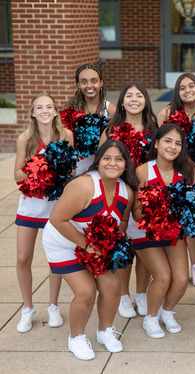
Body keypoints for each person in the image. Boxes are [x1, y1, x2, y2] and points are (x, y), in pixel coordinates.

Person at [42, 140, 136, 360]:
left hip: (94, 245)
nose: (112, 163)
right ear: (98, 161)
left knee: (112, 287)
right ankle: (76, 338)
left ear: (125, 164)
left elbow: (121, 221)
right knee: (85, 292)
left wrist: (112, 245)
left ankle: (105, 332)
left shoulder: (127, 192)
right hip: (63, 243)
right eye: (107, 158)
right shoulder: (84, 186)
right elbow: (57, 218)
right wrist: (86, 245)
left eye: (119, 159)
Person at [14, 93, 74, 333]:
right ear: (33, 113)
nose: (45, 110)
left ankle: (53, 306)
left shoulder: (66, 135)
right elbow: (17, 174)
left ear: (56, 111)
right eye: (39, 107)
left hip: (55, 205)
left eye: (49, 106)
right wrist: (36, 170)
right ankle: (28, 308)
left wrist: (56, 173)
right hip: (31, 204)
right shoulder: (25, 138)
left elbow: (70, 170)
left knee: (55, 259)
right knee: (22, 258)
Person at [100, 82, 159, 319]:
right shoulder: (111, 129)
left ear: (146, 100)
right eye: (129, 95)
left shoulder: (155, 129)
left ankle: (141, 293)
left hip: (147, 195)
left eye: (139, 95)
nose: (134, 99)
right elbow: (102, 162)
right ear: (122, 101)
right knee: (123, 245)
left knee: (144, 245)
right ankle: (123, 295)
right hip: (120, 194)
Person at [133, 123, 195, 339]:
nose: (173, 147)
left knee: (180, 279)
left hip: (172, 232)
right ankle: (150, 318)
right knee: (163, 277)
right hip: (145, 232)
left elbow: (191, 207)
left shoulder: (187, 170)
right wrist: (157, 213)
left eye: (178, 143)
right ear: (157, 143)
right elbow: (135, 211)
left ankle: (166, 311)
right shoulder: (143, 170)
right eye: (168, 141)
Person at [157, 73, 195, 288]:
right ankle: (175, 263)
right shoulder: (167, 113)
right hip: (172, 171)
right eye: (182, 87)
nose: (188, 90)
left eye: (192, 86)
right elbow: (159, 142)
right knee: (171, 219)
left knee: (194, 222)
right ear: (177, 92)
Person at [66, 63, 116, 175]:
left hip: (102, 169)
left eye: (94, 81)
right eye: (84, 82)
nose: (89, 86)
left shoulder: (111, 110)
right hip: (76, 169)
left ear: (101, 82)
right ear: (78, 85)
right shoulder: (71, 110)